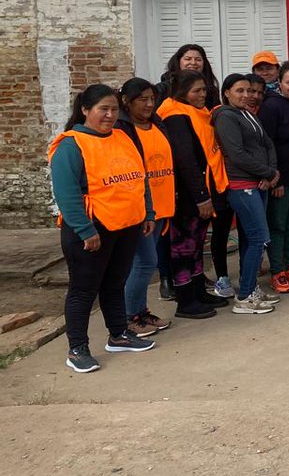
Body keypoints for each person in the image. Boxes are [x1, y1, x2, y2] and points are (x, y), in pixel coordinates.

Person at [49, 85, 157, 373]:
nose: (110, 115)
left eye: (113, 109)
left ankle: (119, 334)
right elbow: (66, 194)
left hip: (126, 225)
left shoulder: (122, 136)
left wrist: (147, 211)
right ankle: (77, 349)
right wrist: (85, 230)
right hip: (91, 229)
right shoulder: (71, 145)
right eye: (102, 109)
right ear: (85, 110)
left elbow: (139, 176)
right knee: (83, 290)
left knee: (114, 284)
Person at [157, 70, 228, 319]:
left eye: (204, 90)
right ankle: (185, 299)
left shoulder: (199, 112)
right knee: (183, 246)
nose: (202, 94)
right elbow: (185, 159)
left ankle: (198, 290)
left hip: (204, 187)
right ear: (182, 92)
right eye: (196, 91)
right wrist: (201, 196)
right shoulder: (175, 114)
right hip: (187, 194)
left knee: (197, 244)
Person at [212, 74, 279, 314]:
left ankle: (250, 288)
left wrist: (270, 173)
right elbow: (237, 153)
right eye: (239, 90)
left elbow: (268, 144)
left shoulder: (249, 114)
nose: (246, 95)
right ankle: (245, 297)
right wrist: (268, 172)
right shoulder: (225, 117)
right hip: (242, 185)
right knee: (258, 237)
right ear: (227, 93)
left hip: (259, 182)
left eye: (249, 91)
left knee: (254, 238)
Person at [116, 78, 175, 338]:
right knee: (145, 262)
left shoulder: (156, 123)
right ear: (126, 101)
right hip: (140, 207)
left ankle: (140, 312)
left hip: (161, 204)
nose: (150, 104)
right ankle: (128, 318)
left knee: (146, 262)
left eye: (152, 98)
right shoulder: (122, 130)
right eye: (143, 99)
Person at [259, 61, 289, 295]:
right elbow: (266, 144)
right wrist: (274, 179)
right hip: (280, 178)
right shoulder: (271, 107)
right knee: (277, 226)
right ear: (280, 83)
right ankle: (277, 271)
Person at [157, 44, 219, 109]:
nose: (193, 63)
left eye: (198, 59)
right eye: (188, 59)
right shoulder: (163, 89)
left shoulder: (211, 90)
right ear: (178, 61)